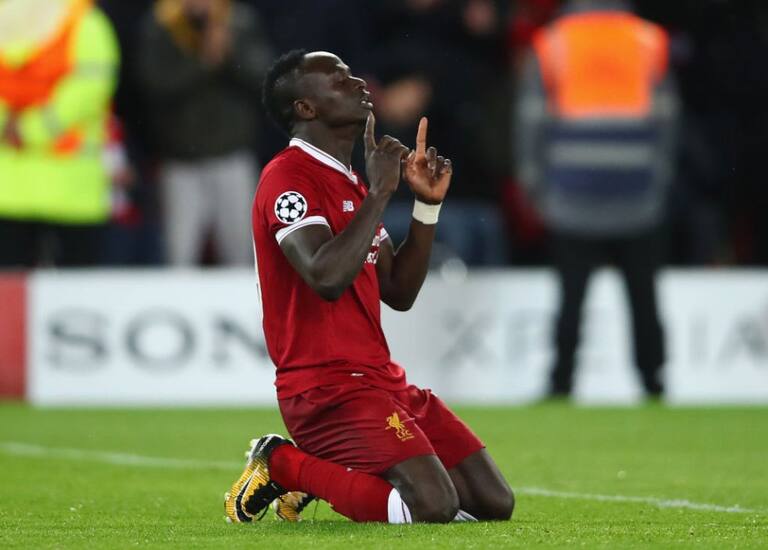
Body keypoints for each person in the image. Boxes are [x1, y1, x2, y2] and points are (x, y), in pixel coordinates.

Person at [224, 50, 514, 524]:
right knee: (433, 506)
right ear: (306, 108)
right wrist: (380, 193)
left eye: (351, 74)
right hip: (324, 390)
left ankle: (338, 471)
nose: (357, 82)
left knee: (493, 502)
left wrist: (425, 207)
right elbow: (324, 278)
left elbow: (398, 291)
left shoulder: (352, 181)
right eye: (338, 79)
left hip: (380, 379)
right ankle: (283, 463)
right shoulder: (288, 178)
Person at [514, 0, 679, 397]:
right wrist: (660, 181)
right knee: (643, 296)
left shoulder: (553, 41)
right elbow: (668, 118)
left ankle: (561, 382)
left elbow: (531, 118)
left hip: (571, 192)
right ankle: (654, 382)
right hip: (637, 192)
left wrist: (533, 184)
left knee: (570, 298)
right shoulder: (648, 39)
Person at [136, 0, 272, 266]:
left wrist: (230, 51)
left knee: (241, 255)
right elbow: (154, 84)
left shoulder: (237, 20)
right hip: (180, 160)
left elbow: (262, 76)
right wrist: (203, 61)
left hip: (231, 155)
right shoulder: (163, 24)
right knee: (179, 256)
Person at [0, 0, 119, 267]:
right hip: (73, 190)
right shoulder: (84, 22)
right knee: (76, 286)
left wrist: (11, 125)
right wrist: (35, 128)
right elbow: (91, 90)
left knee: (9, 284)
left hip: (8, 190)